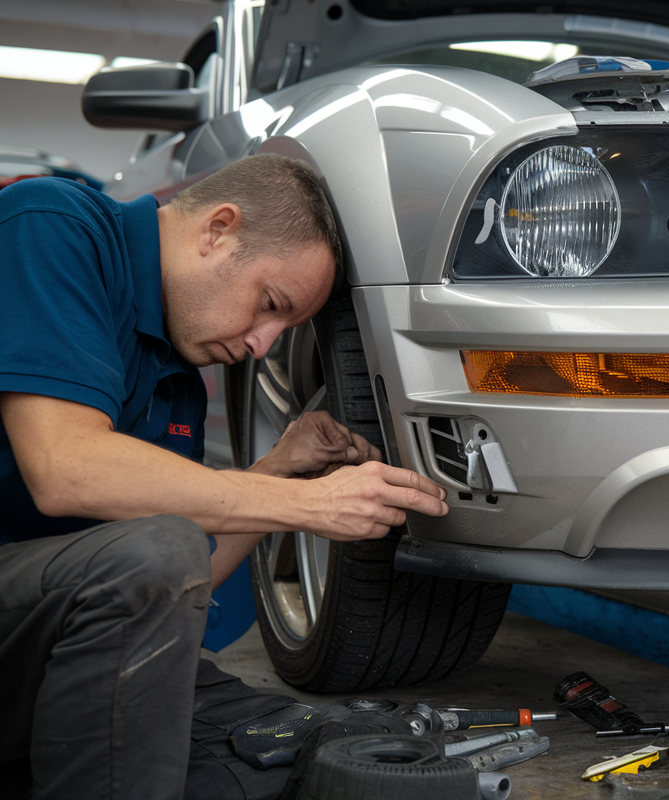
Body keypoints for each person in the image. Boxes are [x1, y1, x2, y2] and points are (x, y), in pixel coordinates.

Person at [0, 154, 449, 799]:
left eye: (283, 328)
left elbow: (167, 586)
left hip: (39, 650)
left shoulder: (176, 370)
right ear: (217, 230)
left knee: (324, 753)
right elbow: (64, 468)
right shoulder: (52, 225)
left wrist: (276, 472)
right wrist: (307, 504)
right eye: (270, 303)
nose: (261, 345)